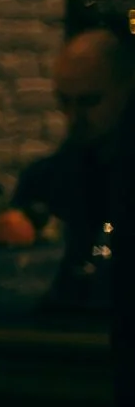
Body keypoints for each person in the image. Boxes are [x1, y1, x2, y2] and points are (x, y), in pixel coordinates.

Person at [14, 28, 131, 310]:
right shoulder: (42, 180)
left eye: (89, 101)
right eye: (64, 101)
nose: (73, 117)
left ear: (126, 91)